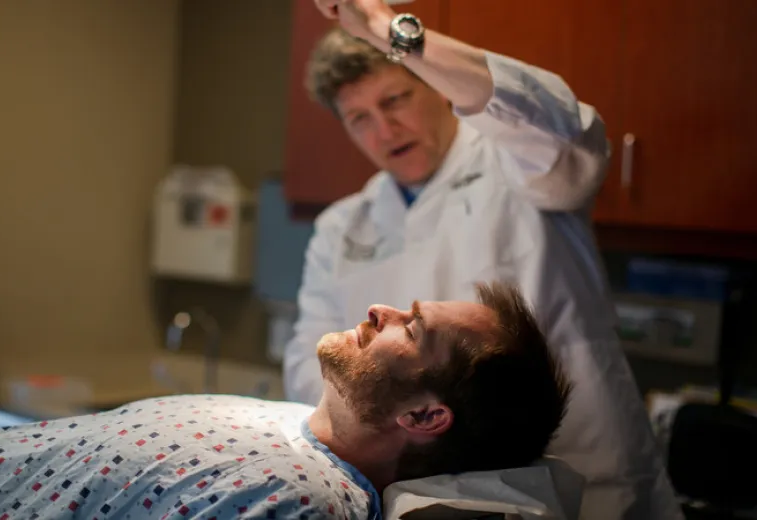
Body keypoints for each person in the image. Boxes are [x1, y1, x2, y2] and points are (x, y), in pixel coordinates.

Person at [282, 1, 685, 519]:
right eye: (360, 118)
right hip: (420, 492)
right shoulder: (343, 226)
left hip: (584, 474)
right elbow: (308, 362)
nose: (385, 130)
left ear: (436, 85)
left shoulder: (520, 161)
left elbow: (563, 124)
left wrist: (389, 31)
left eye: (396, 98)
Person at [0, 282, 571, 520]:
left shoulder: (293, 499)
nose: (380, 309)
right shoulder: (287, 428)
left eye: (412, 327)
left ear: (423, 417)